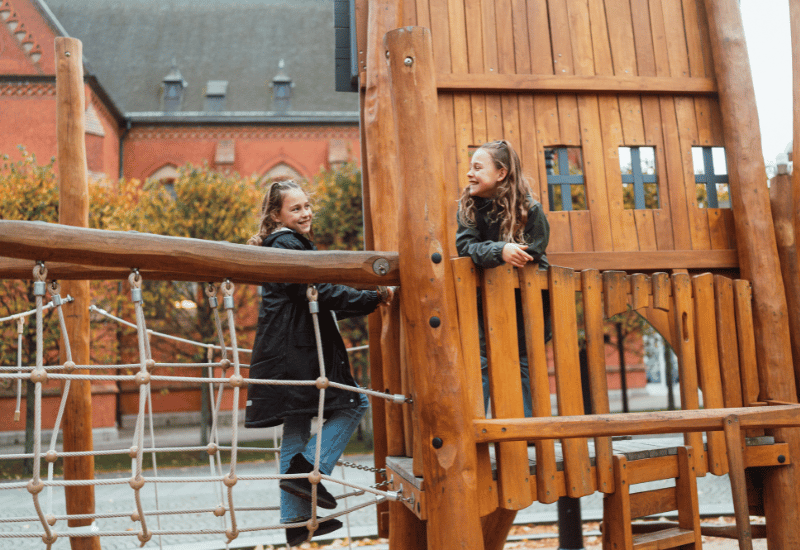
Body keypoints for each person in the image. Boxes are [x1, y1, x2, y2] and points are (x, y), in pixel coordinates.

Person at [244, 180, 393, 547]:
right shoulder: (286, 245)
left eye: (307, 206)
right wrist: (374, 296)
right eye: (296, 209)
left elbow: (319, 300)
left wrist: (366, 300)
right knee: (355, 403)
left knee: (296, 424)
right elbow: (320, 292)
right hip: (295, 352)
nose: (306, 213)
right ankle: (307, 472)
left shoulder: (283, 243)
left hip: (286, 350)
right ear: (277, 215)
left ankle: (295, 522)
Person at [455, 139, 550, 417]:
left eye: (477, 167)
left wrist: (510, 252)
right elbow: (466, 248)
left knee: (523, 360)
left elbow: (534, 249)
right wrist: (501, 250)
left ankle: (530, 430)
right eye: (470, 167)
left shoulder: (530, 210)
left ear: (501, 173)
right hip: (483, 301)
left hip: (525, 302)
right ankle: (475, 425)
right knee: (481, 360)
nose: (470, 173)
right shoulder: (468, 206)